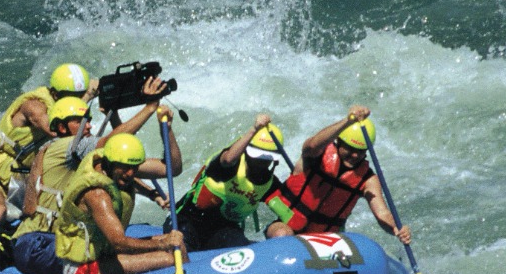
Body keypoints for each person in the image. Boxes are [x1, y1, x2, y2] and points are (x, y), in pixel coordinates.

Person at [53, 123, 185, 274]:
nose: (130, 173)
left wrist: (152, 194)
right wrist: (161, 243)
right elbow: (119, 244)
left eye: (134, 167)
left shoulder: (105, 161)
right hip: (81, 270)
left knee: (178, 245)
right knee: (168, 258)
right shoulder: (97, 195)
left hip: (104, 255)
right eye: (124, 167)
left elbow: (166, 169)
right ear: (110, 163)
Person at [0, 62, 93, 233]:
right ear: (56, 93)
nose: (76, 101)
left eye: (79, 96)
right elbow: (54, 129)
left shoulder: (65, 106)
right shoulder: (34, 106)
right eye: (72, 97)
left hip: (24, 184)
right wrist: (85, 101)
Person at [278, 105, 411, 245]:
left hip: (326, 239)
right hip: (290, 228)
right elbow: (311, 145)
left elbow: (382, 213)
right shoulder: (316, 155)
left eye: (360, 151)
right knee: (281, 234)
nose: (355, 155)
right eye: (350, 149)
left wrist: (396, 228)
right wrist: (348, 121)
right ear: (339, 142)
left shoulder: (368, 179)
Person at [173, 113, 299, 252]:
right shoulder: (227, 167)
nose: (260, 163)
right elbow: (228, 159)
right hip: (187, 222)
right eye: (257, 157)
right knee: (182, 249)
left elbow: (290, 212)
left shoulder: (269, 183)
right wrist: (254, 129)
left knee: (241, 246)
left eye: (266, 159)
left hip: (222, 230)